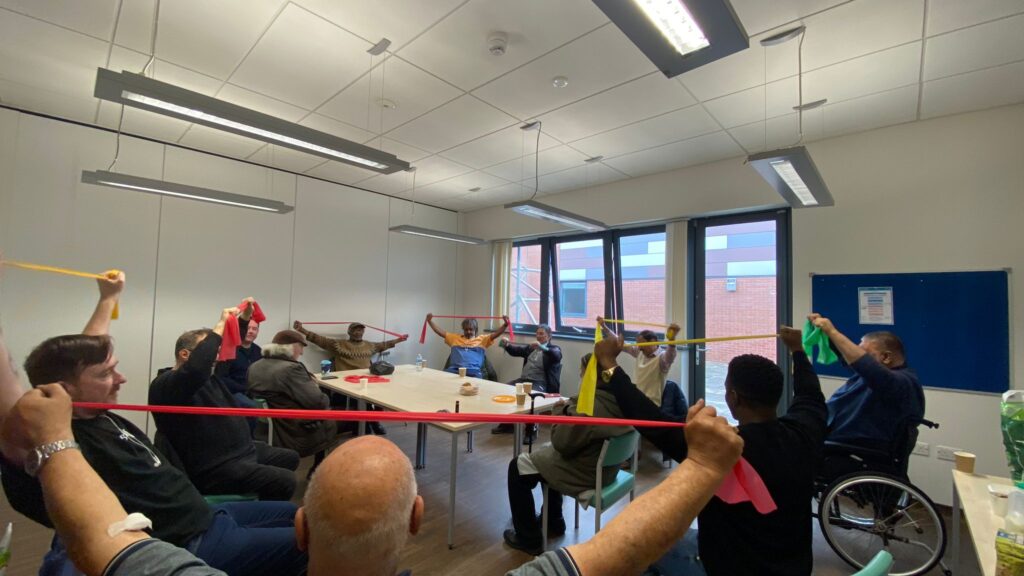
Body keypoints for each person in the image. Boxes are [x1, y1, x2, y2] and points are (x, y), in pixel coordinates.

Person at [0, 367, 743, 576]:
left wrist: (51, 440)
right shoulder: (169, 390)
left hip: (200, 522)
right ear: (418, 519)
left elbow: (105, 541)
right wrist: (703, 465)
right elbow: (614, 553)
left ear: (301, 526)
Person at [0, 274, 306, 576]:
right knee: (310, 542)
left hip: (207, 515)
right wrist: (217, 326)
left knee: (298, 516)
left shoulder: (95, 411)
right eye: (107, 374)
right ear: (65, 390)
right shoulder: (58, 434)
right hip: (192, 542)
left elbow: (89, 351)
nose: (121, 379)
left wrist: (108, 298)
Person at [599, 321, 828, 576]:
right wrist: (798, 350)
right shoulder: (805, 432)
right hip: (795, 569)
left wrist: (608, 363)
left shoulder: (718, 448)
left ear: (733, 397)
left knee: (638, 555)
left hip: (724, 568)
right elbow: (810, 394)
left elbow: (646, 416)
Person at [149, 301, 300, 501]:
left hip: (241, 451)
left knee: (291, 457)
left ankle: (260, 501)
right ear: (185, 355)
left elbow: (232, 348)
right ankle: (263, 514)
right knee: (285, 480)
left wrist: (244, 320)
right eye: (210, 351)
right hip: (215, 467)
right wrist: (219, 325)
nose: (216, 355)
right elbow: (196, 370)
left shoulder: (210, 376)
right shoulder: (167, 386)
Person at [504, 351, 633, 556]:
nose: (582, 378)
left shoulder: (589, 407)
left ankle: (528, 538)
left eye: (583, 374)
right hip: (607, 471)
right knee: (547, 454)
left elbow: (562, 443)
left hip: (584, 473)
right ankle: (554, 520)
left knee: (517, 467)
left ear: (593, 376)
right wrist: (570, 409)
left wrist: (558, 413)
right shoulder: (623, 400)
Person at [809, 313, 925, 478]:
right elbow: (849, 358)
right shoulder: (879, 377)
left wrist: (833, 332)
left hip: (846, 450)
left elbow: (866, 366)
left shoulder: (901, 382)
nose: (857, 356)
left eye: (863, 352)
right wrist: (826, 334)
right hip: (832, 438)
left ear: (885, 357)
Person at [293, 320, 408, 435]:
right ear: (349, 332)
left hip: (367, 380)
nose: (358, 332)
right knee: (359, 400)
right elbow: (319, 340)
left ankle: (373, 422)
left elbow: (384, 345)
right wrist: (301, 330)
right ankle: (366, 425)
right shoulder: (338, 345)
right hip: (347, 381)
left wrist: (399, 339)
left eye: (361, 330)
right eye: (355, 330)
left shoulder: (370, 345)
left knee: (378, 397)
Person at [248, 329, 339, 471]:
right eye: (301, 347)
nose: (302, 352)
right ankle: (319, 468)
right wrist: (315, 385)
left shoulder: (255, 366)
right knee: (334, 418)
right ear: (290, 347)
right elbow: (318, 402)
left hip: (270, 427)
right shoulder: (291, 369)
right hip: (293, 429)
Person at [492, 324, 563, 436]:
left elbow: (557, 356)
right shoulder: (531, 348)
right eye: (537, 333)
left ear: (549, 336)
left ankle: (531, 432)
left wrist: (542, 347)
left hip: (540, 383)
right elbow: (516, 351)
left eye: (541, 334)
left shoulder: (554, 349)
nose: (538, 336)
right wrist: (505, 345)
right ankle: (507, 425)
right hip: (524, 380)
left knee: (531, 398)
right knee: (506, 389)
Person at [598, 318, 680, 406]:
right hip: (636, 399)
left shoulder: (662, 358)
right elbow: (619, 342)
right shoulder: (639, 352)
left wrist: (672, 340)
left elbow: (670, 355)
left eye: (642, 344)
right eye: (638, 345)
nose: (640, 347)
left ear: (653, 341)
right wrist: (604, 326)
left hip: (651, 404)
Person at [424, 312, 508, 378]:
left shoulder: (482, 339)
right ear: (463, 330)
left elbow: (496, 334)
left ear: (475, 329)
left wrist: (505, 324)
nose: (468, 332)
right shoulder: (454, 338)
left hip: (474, 374)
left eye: (471, 329)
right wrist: (430, 321)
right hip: (454, 372)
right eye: (466, 329)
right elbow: (440, 332)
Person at [219, 319, 261, 409]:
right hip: (233, 392)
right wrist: (244, 388)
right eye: (248, 328)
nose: (250, 331)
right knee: (252, 407)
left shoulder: (259, 351)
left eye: (254, 329)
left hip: (255, 392)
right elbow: (221, 377)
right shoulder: (229, 350)